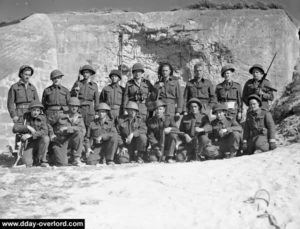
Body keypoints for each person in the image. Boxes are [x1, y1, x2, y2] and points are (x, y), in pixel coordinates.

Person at [7, 65, 39, 150]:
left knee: (32, 129)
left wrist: (38, 113)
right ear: (21, 74)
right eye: (25, 74)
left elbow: (37, 102)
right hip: (20, 112)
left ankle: (31, 152)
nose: (27, 76)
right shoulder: (14, 87)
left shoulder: (32, 88)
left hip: (31, 112)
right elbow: (10, 103)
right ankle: (19, 154)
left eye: (29, 75)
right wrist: (13, 115)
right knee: (20, 131)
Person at [50, 97, 86, 166]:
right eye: (72, 106)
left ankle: (76, 158)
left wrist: (68, 128)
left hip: (71, 142)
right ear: (68, 106)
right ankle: (54, 156)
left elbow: (83, 130)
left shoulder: (79, 117)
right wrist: (51, 134)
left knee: (79, 133)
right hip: (60, 142)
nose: (74, 108)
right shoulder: (60, 114)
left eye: (76, 106)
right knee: (62, 163)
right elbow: (48, 124)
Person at [12, 101, 50, 167]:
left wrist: (31, 135)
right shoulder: (24, 117)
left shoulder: (42, 118)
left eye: (38, 111)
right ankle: (33, 158)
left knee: (46, 138)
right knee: (27, 163)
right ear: (30, 110)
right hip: (28, 143)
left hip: (38, 142)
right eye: (34, 110)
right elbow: (15, 128)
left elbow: (45, 131)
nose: (36, 112)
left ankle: (42, 161)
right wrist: (27, 127)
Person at [70, 64, 99, 129]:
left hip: (90, 109)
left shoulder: (94, 85)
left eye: (87, 72)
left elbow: (97, 100)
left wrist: (97, 113)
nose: (85, 74)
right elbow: (71, 96)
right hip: (80, 108)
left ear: (90, 73)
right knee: (78, 127)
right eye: (84, 73)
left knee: (89, 127)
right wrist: (75, 91)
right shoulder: (78, 83)